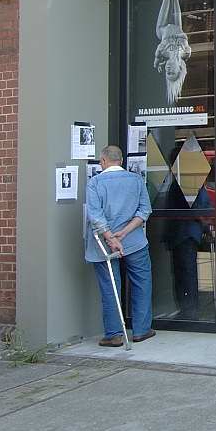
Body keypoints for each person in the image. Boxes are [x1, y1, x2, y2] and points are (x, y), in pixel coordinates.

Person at [85, 145, 155, 347]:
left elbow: (95, 217)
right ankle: (141, 330)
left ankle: (114, 334)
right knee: (142, 283)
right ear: (121, 161)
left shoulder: (95, 183)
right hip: (134, 241)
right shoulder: (136, 180)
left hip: (104, 246)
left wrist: (111, 238)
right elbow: (144, 211)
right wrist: (124, 232)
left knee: (111, 287)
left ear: (103, 161)